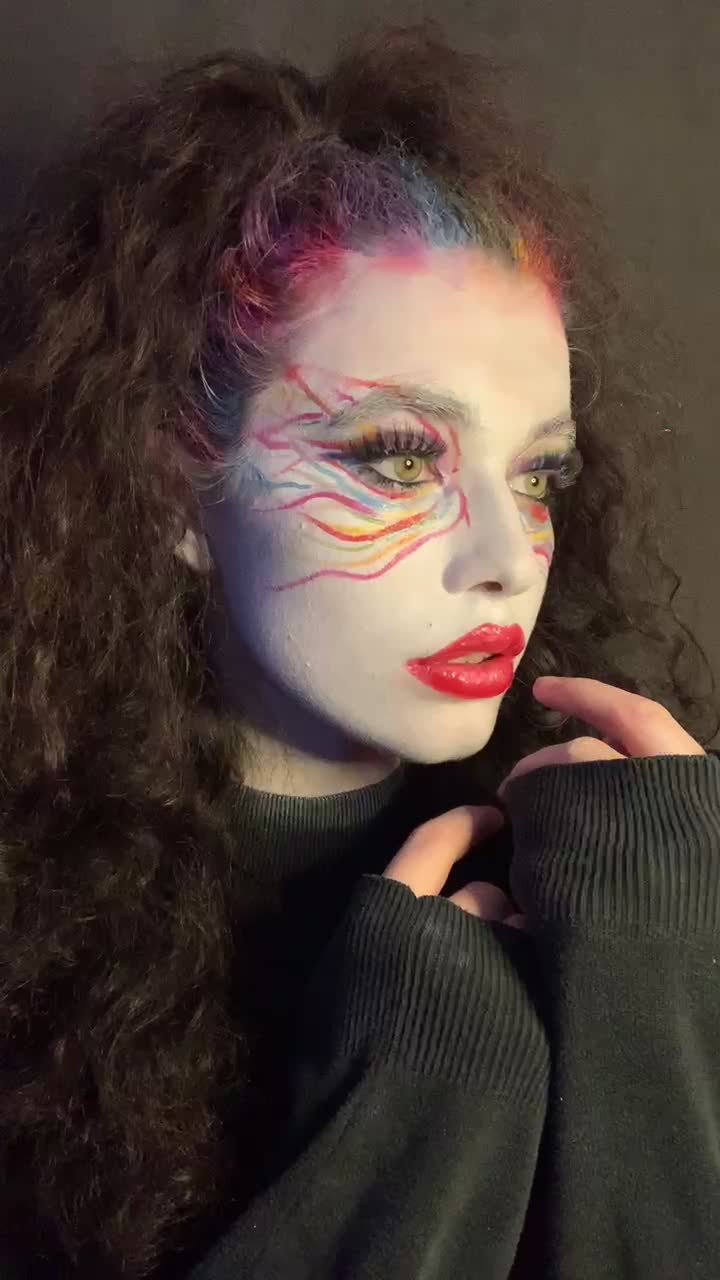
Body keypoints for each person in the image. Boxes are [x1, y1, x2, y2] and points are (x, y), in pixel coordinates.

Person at [1, 19, 718, 1280]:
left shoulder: (615, 877)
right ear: (173, 493)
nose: (510, 555)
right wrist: (404, 1133)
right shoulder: (29, 942)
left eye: (539, 473)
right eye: (395, 456)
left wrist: (661, 997)